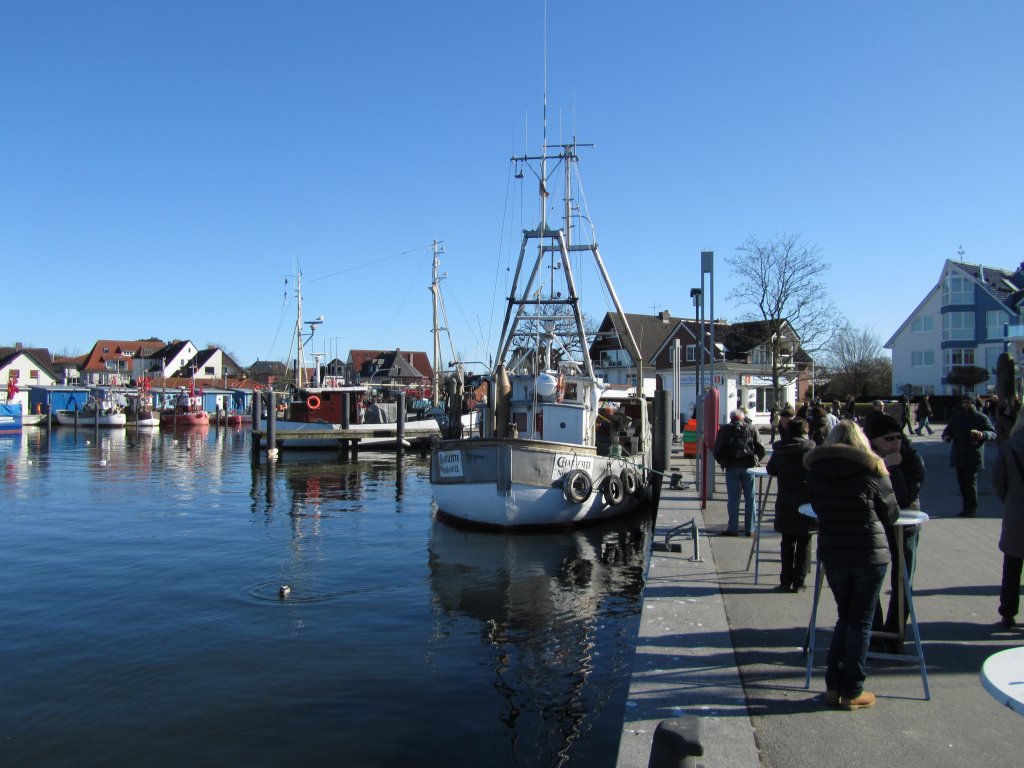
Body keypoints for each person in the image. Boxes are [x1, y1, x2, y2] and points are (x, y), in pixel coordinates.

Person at [805, 419, 898, 710]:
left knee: (845, 618)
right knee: (861, 622)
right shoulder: (873, 469)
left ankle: (834, 685)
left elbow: (818, 507)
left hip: (834, 551)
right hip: (869, 552)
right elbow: (890, 512)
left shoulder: (816, 470)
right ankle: (852, 689)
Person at [865, 413, 926, 651]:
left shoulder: (911, 459)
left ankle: (896, 634)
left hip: (905, 525)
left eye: (898, 437)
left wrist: (894, 468)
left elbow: (903, 498)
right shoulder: (865, 459)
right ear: (874, 441)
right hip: (874, 524)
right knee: (870, 577)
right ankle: (875, 634)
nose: (896, 443)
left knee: (903, 581)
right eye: (889, 438)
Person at [766, 417, 815, 592]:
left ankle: (785, 580)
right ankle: (799, 582)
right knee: (804, 541)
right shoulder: (812, 450)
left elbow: (771, 469)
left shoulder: (781, 450)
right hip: (806, 499)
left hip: (785, 497)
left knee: (787, 541)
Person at [991, 409, 1024, 629]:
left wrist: (1010, 499)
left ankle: (1008, 613)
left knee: (1012, 566)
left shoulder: (1009, 446)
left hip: (1017, 511)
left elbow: (998, 480)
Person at [713, 409, 766, 536]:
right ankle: (750, 529)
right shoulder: (751, 428)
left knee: (733, 499)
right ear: (743, 418)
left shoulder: (725, 429)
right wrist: (756, 460)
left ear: (731, 418)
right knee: (750, 498)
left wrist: (724, 462)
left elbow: (717, 450)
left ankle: (733, 528)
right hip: (749, 467)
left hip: (732, 467)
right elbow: (761, 448)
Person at [942, 395, 997, 517]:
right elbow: (948, 430)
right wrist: (946, 436)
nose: (966, 405)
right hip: (959, 454)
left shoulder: (981, 417)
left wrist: (982, 434)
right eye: (964, 402)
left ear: (973, 404)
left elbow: (992, 433)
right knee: (962, 482)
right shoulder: (957, 417)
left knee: (970, 481)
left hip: (973, 454)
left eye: (969, 402)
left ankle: (971, 508)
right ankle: (965, 507)